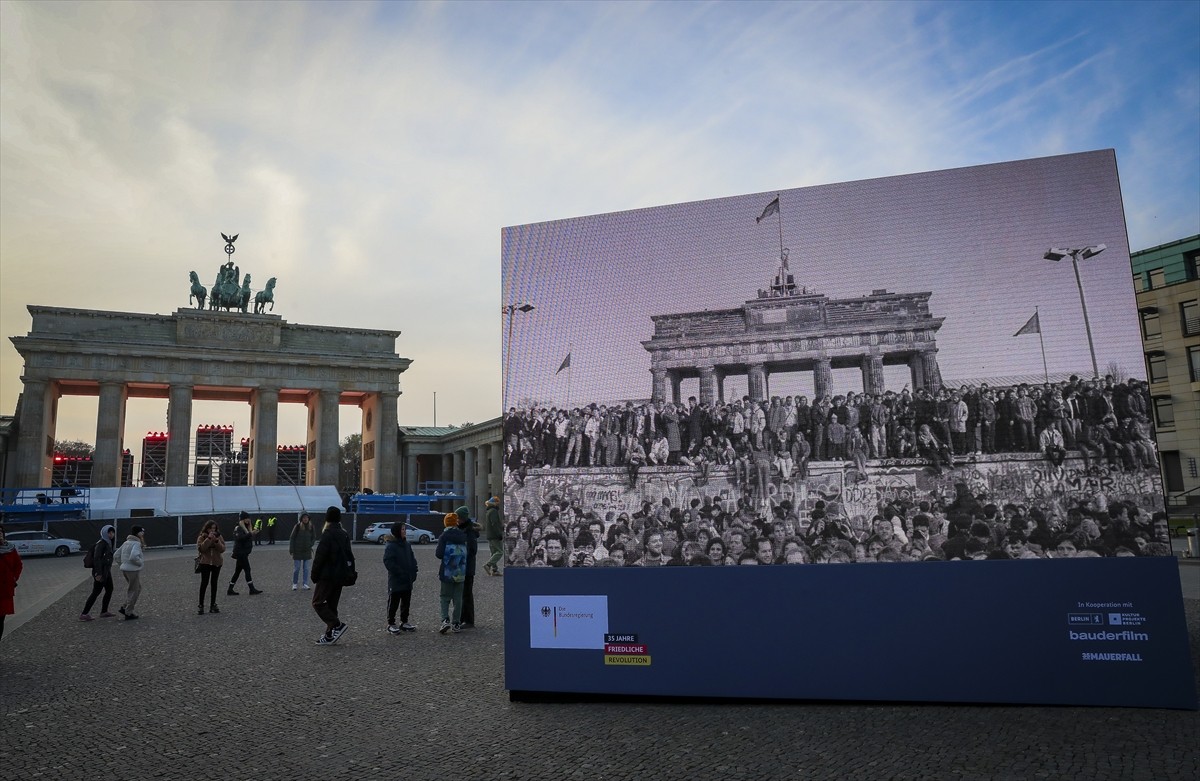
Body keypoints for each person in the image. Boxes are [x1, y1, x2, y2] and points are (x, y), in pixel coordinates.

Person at [310, 505, 354, 645]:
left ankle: (337, 625)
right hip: (340, 575)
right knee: (331, 606)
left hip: (327, 575)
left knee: (317, 602)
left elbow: (320, 557)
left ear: (327, 518)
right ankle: (329, 635)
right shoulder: (344, 534)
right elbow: (349, 555)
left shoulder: (327, 534)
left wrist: (314, 575)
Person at [434, 511, 469, 634]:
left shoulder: (444, 536)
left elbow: (439, 554)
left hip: (447, 572)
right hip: (460, 572)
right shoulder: (462, 536)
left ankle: (445, 620)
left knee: (445, 597)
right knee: (458, 598)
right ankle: (456, 623)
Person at [384, 522, 418, 634]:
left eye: (405, 529)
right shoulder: (391, 546)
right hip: (396, 580)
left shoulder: (407, 545)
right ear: (397, 531)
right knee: (394, 602)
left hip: (407, 579)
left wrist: (414, 570)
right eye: (403, 529)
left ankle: (404, 622)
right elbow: (388, 562)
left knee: (406, 602)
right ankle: (391, 623)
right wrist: (400, 573)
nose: (405, 531)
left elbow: (412, 558)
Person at [79, 525, 117, 621]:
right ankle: (84, 613)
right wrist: (98, 573)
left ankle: (104, 611)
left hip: (106, 571)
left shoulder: (108, 543)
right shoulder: (101, 544)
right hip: (101, 572)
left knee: (109, 589)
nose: (111, 534)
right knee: (96, 592)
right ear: (104, 533)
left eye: (112, 532)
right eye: (109, 532)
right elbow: (97, 559)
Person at [113, 525, 146, 621]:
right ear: (138, 533)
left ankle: (124, 607)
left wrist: (122, 564)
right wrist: (140, 563)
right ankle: (128, 612)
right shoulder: (136, 544)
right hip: (132, 570)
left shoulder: (126, 542)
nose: (143, 533)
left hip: (125, 570)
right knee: (135, 590)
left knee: (135, 589)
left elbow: (116, 555)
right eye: (142, 531)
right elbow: (133, 557)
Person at [455, 506, 480, 628]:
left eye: (458, 518)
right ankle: (462, 618)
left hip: (467, 568)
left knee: (466, 594)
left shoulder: (469, 532)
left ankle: (469, 620)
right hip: (463, 567)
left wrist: (461, 556)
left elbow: (472, 550)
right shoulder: (463, 530)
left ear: (462, 518)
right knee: (462, 594)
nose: (456, 520)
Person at [228, 511, 263, 596]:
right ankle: (251, 589)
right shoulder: (238, 528)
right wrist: (250, 533)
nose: (248, 520)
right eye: (246, 518)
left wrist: (252, 533)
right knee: (247, 569)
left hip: (244, 552)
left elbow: (246, 538)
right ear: (242, 519)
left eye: (248, 518)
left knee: (237, 571)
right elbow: (240, 538)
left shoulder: (246, 528)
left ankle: (230, 589)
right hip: (241, 553)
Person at [196, 521, 226, 615]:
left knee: (214, 583)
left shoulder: (219, 536)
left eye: (214, 528)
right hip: (205, 562)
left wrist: (216, 541)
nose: (212, 530)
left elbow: (222, 549)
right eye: (210, 528)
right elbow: (201, 549)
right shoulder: (202, 537)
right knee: (204, 583)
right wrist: (208, 539)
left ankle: (213, 604)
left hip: (217, 562)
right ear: (207, 529)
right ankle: (201, 605)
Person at [0, 524, 23, 641]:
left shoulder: (10, 548)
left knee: (0, 619)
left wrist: (13, 578)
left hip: (5, 591)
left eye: (0, 531)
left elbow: (18, 565)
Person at [289, 513, 316, 590]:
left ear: (309, 519)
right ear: (301, 519)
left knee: (306, 569)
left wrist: (310, 544)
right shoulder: (297, 526)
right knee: (297, 568)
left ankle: (305, 584)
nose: (305, 519)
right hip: (297, 550)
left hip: (307, 550)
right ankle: (295, 583)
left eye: (307, 517)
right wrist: (291, 549)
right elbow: (292, 538)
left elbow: (314, 537)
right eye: (304, 517)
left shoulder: (311, 527)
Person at [483, 495, 503, 576]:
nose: (499, 504)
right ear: (495, 503)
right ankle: (488, 565)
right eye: (498, 502)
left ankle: (495, 570)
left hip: (490, 535)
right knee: (500, 552)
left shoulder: (488, 511)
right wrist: (499, 533)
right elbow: (495, 523)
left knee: (494, 552)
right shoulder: (494, 511)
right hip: (494, 535)